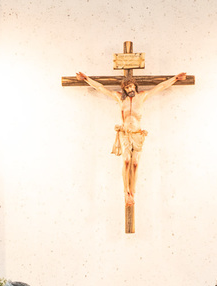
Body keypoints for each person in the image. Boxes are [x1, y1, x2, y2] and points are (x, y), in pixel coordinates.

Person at [74, 71, 187, 205]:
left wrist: (175, 78)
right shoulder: (120, 98)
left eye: (131, 86)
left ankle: (132, 192)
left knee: (135, 163)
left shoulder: (142, 96)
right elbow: (101, 88)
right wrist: (86, 78)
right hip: (125, 133)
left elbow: (160, 87)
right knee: (127, 161)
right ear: (124, 89)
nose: (129, 89)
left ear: (135, 86)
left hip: (138, 134)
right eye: (127, 88)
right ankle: (126, 192)